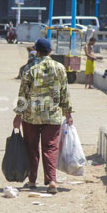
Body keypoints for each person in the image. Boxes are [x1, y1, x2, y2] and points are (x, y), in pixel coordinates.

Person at [13, 38, 73, 194]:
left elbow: (23, 94)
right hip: (52, 116)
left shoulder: (29, 68)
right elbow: (64, 92)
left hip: (31, 116)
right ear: (50, 52)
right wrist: (68, 113)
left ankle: (32, 181)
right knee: (51, 148)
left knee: (31, 148)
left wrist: (18, 115)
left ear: (36, 51)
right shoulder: (59, 68)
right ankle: (52, 180)